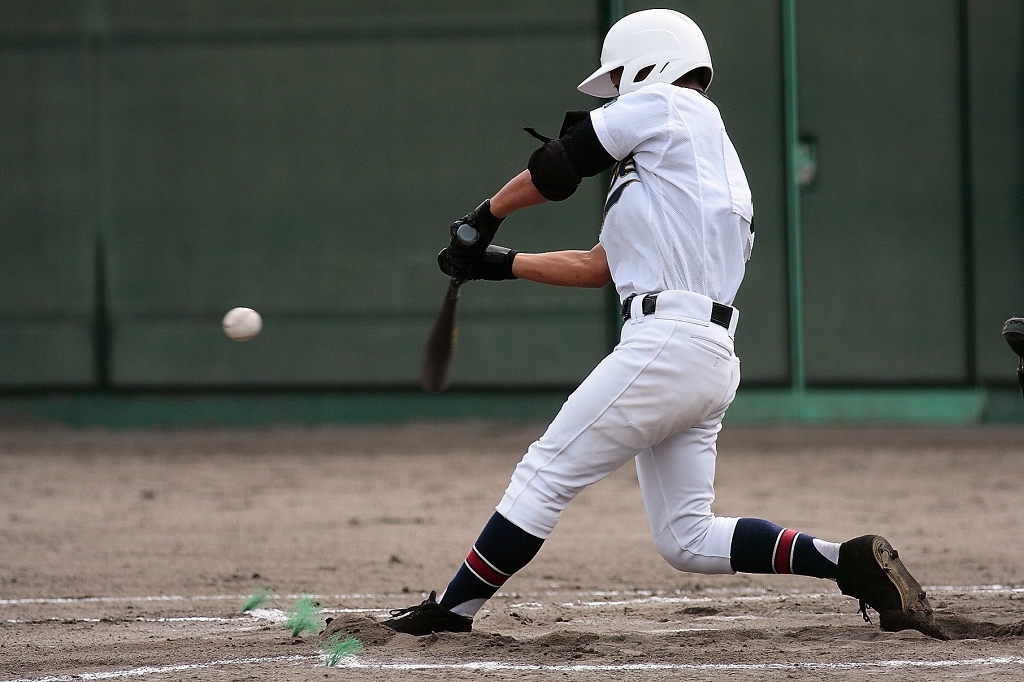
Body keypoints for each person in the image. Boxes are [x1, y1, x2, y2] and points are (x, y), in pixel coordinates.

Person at [383, 9, 939, 639]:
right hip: (703, 354)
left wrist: (484, 215)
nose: (616, 89)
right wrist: (498, 264)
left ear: (653, 62)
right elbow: (598, 266)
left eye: (620, 75)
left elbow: (560, 166)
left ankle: (452, 611)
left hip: (667, 341)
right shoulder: (689, 159)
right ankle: (848, 563)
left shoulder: (673, 107)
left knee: (544, 474)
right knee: (687, 538)